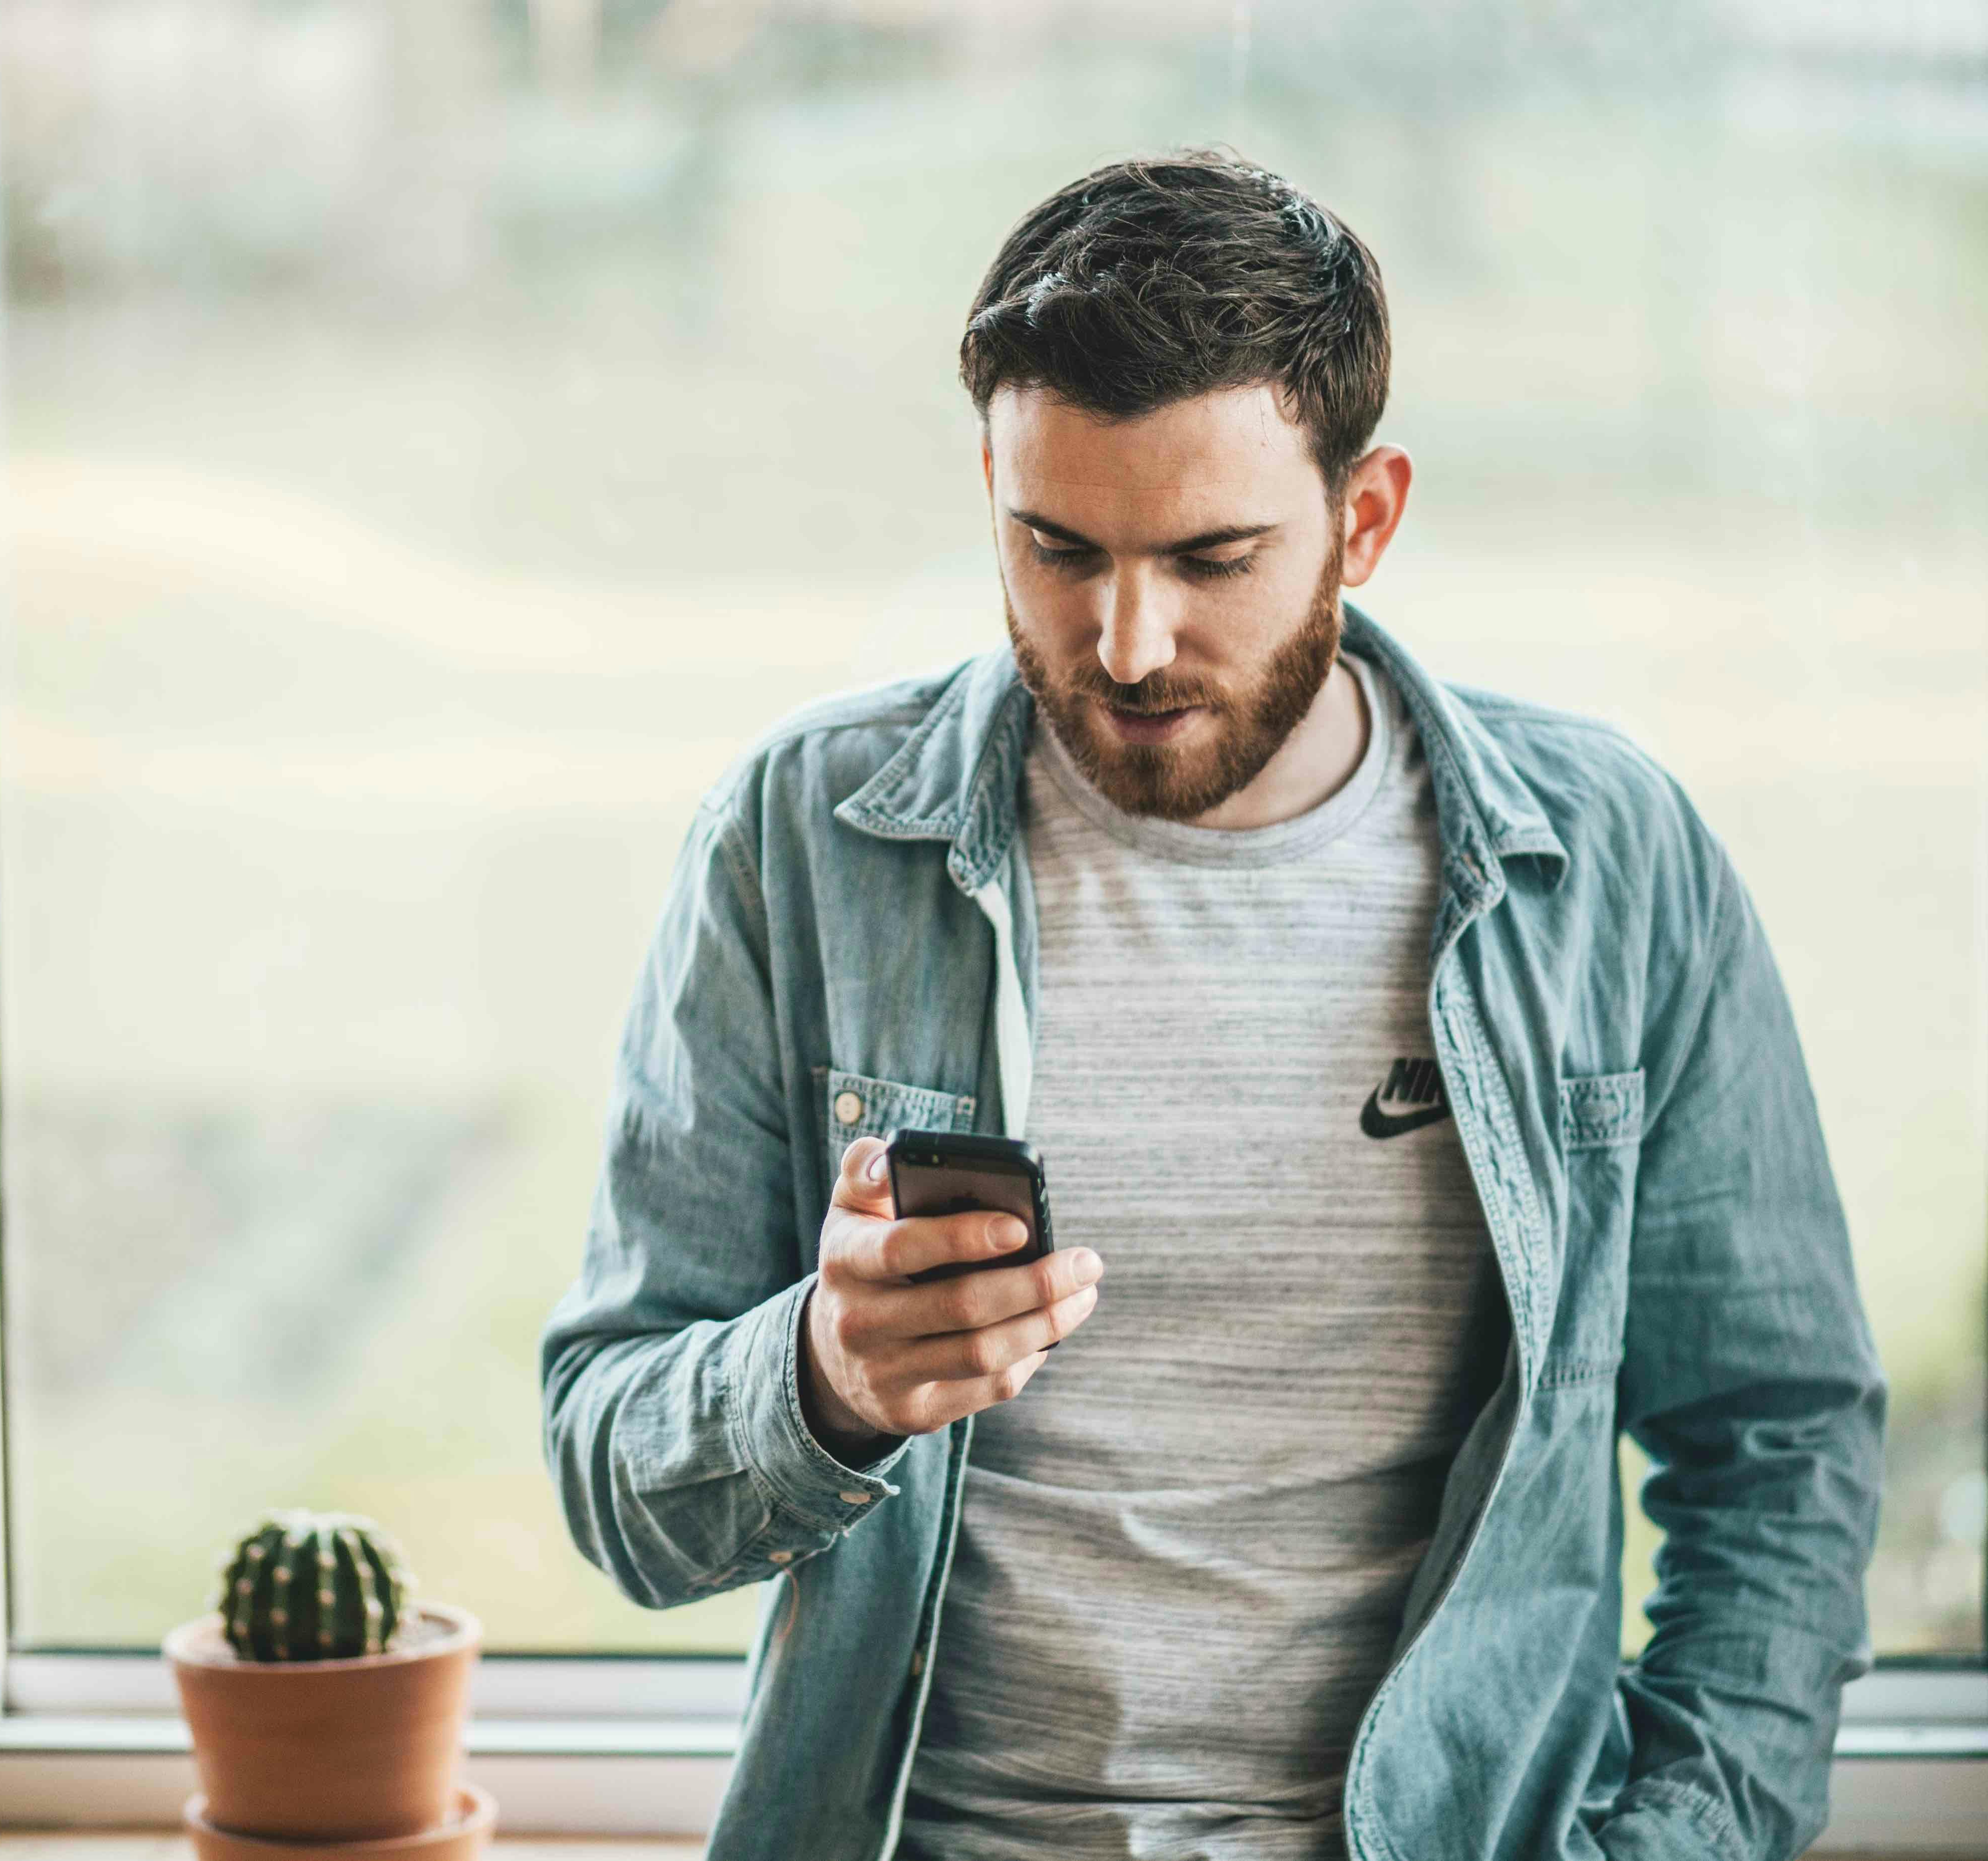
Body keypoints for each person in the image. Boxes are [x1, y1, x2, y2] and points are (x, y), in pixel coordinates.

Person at [541, 151, 1884, 1861]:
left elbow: (1777, 1440)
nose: (1121, 640)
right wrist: (820, 1378)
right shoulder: (800, 840)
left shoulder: (1611, 867)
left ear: (1365, 519)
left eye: (1211, 557)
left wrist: (1682, 1841)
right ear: (988, 489)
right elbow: (612, 1471)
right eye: (1054, 547)